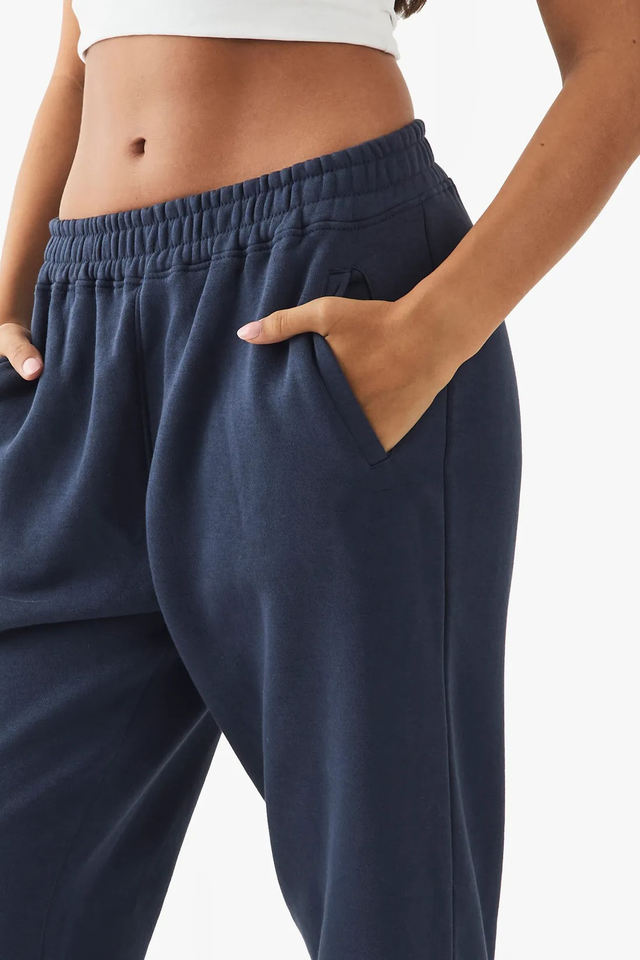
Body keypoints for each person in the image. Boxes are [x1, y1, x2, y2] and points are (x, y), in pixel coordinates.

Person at [0, 1, 638, 958]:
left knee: (389, 911)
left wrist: (435, 333)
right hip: (74, 345)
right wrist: (9, 300)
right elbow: (77, 61)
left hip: (312, 299)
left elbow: (621, 51)